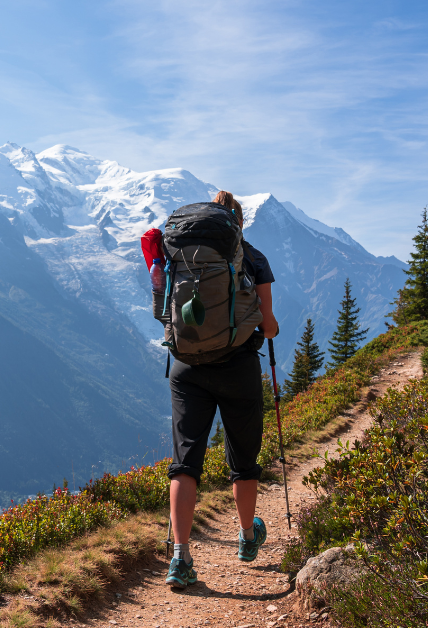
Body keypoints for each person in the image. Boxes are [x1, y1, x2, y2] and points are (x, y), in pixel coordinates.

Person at [165, 190, 279, 588]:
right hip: (237, 368)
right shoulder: (253, 257)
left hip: (186, 367)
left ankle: (179, 558)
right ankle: (248, 538)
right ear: (238, 224)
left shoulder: (179, 254)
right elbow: (269, 325)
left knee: (185, 462)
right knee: (243, 460)